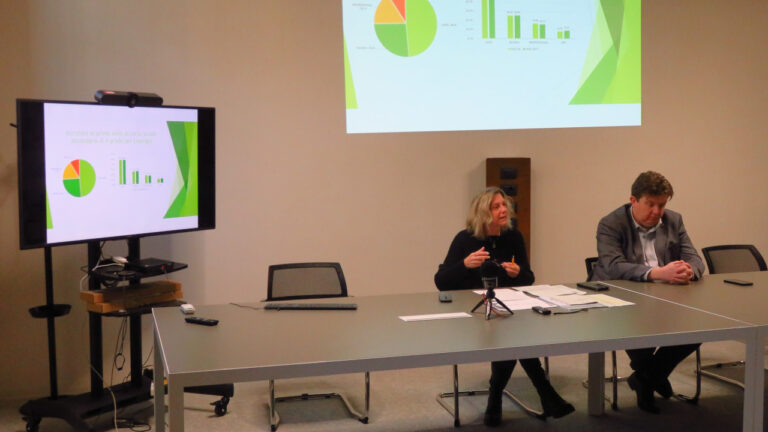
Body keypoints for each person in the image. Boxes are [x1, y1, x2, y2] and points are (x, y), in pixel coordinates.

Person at [435, 187, 574, 427]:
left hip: (509, 310)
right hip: (474, 314)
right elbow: (441, 281)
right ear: (483, 212)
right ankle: (543, 393)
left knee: (512, 335)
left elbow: (528, 278)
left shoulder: (513, 237)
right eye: (496, 206)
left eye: (504, 205)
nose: (504, 210)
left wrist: (518, 272)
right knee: (515, 338)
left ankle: (497, 397)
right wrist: (465, 264)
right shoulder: (464, 239)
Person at [590, 171, 705, 413]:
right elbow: (613, 266)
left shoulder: (674, 220)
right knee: (637, 328)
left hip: (665, 298)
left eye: (661, 205)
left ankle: (646, 377)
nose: (657, 211)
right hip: (619, 297)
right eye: (650, 204)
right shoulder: (611, 223)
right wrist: (657, 273)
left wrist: (688, 270)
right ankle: (651, 377)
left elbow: (695, 259)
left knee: (699, 327)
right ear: (633, 200)